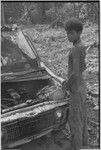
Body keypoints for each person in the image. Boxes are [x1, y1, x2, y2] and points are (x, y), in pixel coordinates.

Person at [62, 18, 89, 150]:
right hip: (81, 86)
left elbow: (76, 72)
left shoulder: (75, 49)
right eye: (67, 33)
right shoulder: (82, 46)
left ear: (79, 33)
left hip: (76, 88)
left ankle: (76, 146)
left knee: (75, 119)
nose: (68, 35)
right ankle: (84, 143)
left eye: (71, 33)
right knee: (82, 116)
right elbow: (84, 67)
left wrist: (65, 86)